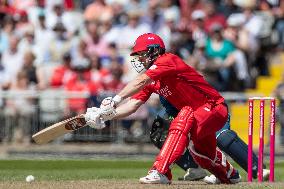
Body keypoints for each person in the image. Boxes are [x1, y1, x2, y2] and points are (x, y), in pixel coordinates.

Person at [84, 33, 241, 184]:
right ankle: (229, 174)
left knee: (185, 114)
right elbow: (133, 105)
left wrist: (115, 99)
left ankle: (160, 172)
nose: (139, 58)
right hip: (199, 113)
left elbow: (140, 81)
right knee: (201, 153)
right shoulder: (151, 80)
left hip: (214, 107)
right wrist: (105, 116)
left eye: (142, 54)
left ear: (154, 51)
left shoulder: (168, 59)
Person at [151, 96, 270, 183]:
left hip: (210, 111)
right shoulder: (159, 85)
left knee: (223, 137)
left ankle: (256, 168)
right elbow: (171, 111)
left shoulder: (178, 75)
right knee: (161, 133)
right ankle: (195, 169)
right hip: (189, 118)